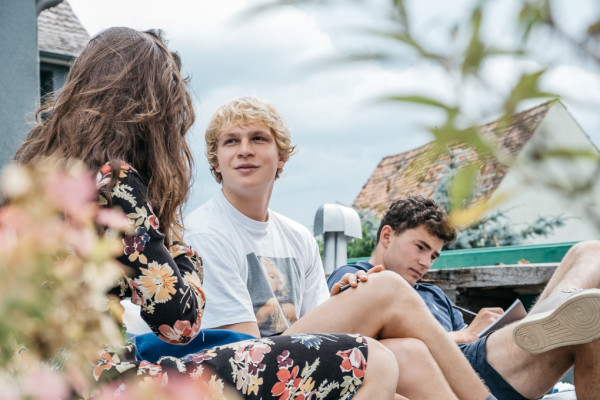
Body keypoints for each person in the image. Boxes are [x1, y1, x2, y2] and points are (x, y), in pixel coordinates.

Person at [12, 26, 401, 400]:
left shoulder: (38, 177)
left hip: (43, 380)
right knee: (373, 361)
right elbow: (178, 323)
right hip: (103, 383)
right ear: (149, 109)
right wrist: (183, 254)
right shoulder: (116, 181)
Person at [185, 96, 498, 400]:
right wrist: (367, 301)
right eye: (231, 141)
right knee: (387, 287)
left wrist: (345, 301)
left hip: (293, 370)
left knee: (409, 354)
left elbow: (326, 338)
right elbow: (243, 354)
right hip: (238, 379)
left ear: (281, 157)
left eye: (258, 139)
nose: (244, 150)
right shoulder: (205, 231)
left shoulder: (297, 236)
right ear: (215, 161)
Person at [327, 195, 600, 400]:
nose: (426, 262)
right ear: (387, 235)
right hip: (456, 375)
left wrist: (484, 331)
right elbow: (361, 352)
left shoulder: (432, 293)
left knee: (590, 251)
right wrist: (464, 334)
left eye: (433, 256)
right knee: (590, 318)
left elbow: (469, 339)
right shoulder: (355, 277)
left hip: (480, 359)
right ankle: (558, 313)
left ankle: (556, 311)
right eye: (420, 247)